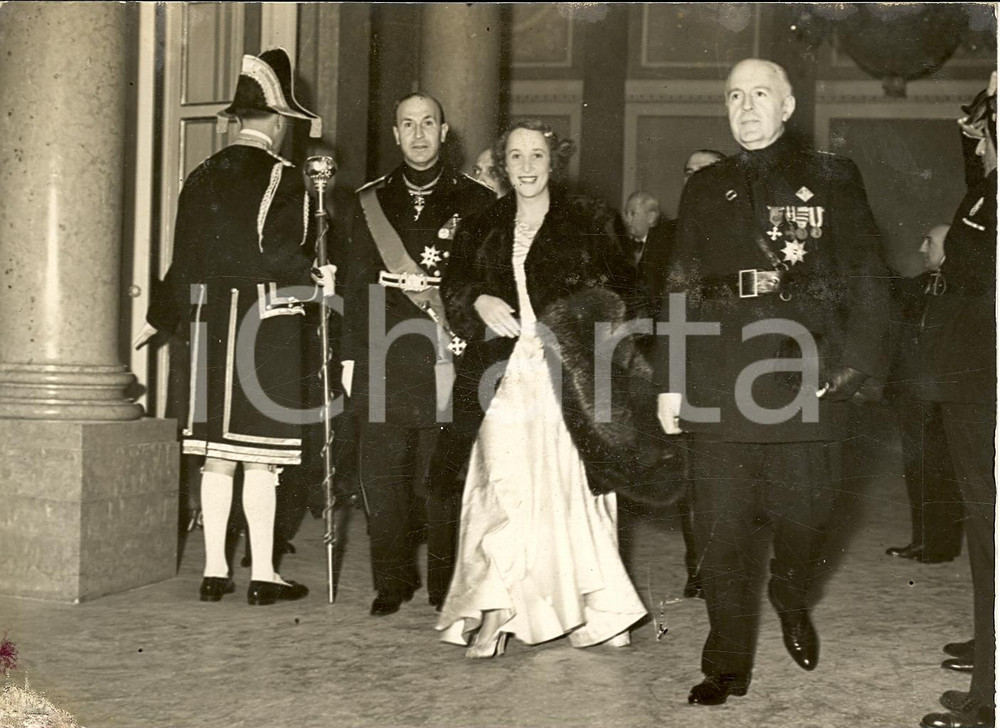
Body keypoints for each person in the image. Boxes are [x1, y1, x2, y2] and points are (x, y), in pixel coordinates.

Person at [655, 58, 890, 705]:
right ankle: (725, 663)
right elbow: (678, 285)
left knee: (807, 519)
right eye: (735, 95)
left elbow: (869, 276)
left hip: (803, 371)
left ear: (788, 106)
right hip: (721, 372)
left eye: (761, 93)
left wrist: (857, 363)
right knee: (720, 532)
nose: (747, 106)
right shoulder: (706, 188)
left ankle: (789, 594)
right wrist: (670, 380)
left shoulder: (833, 179)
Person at [433, 119, 676, 659]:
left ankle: (601, 610)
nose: (525, 167)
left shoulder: (588, 218)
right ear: (502, 164)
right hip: (501, 373)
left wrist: (583, 329)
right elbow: (454, 284)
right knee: (500, 481)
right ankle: (495, 606)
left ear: (553, 161)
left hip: (573, 376)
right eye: (514, 157)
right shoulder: (485, 221)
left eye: (536, 156)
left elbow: (632, 295)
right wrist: (476, 302)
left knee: (570, 489)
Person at [134, 48, 329, 605]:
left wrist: (161, 319)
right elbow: (285, 258)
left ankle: (215, 570)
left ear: (239, 120)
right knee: (261, 457)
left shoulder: (200, 175)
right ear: (275, 122)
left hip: (207, 324)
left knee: (217, 453)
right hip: (264, 325)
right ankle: (265, 574)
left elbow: (183, 260)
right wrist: (319, 278)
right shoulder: (285, 179)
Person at [340, 92, 494, 617]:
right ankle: (391, 581)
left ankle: (445, 585)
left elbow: (485, 282)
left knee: (442, 477)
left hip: (447, 352)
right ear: (395, 133)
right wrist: (348, 357)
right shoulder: (368, 201)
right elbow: (354, 286)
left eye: (429, 122)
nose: (419, 133)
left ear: (445, 131)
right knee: (382, 477)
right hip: (383, 352)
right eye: (408, 124)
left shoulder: (477, 201)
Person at [916, 72, 996, 728]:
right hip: (972, 382)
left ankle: (988, 700)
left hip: (986, 382)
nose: (979, 127)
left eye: (988, 118)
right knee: (987, 533)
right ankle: (991, 662)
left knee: (993, 534)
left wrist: (950, 255)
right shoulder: (989, 190)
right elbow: (979, 189)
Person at [883, 225, 962, 565]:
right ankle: (924, 541)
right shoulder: (921, 284)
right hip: (915, 395)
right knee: (919, 470)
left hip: (944, 396)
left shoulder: (964, 287)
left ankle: (939, 546)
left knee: (940, 472)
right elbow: (893, 289)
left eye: (928, 240)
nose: (920, 246)